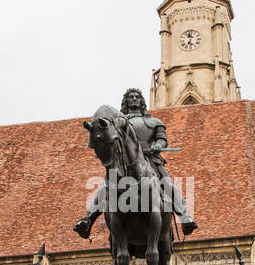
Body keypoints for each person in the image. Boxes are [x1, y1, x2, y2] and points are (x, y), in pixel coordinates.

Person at [74, 87, 197, 238]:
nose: (134, 99)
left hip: (150, 161)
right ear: (125, 102)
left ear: (142, 101)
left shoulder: (154, 121)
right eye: (130, 97)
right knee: (106, 184)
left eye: (137, 97)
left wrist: (158, 145)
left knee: (166, 182)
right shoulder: (118, 123)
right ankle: (87, 220)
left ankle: (185, 217)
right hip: (124, 162)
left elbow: (162, 138)